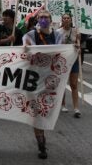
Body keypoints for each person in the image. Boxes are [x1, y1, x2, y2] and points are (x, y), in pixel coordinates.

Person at [23, 10, 62, 159]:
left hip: (50, 80)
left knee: (46, 110)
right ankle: (41, 142)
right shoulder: (31, 35)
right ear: (37, 20)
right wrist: (26, 48)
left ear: (51, 20)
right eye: (41, 17)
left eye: (46, 17)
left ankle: (42, 133)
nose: (43, 19)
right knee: (37, 111)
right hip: (33, 79)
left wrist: (74, 46)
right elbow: (26, 49)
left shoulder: (57, 35)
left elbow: (60, 51)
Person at [57, 13, 81, 118]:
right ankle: (62, 105)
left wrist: (78, 47)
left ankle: (76, 108)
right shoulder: (57, 32)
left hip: (74, 60)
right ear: (62, 20)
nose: (66, 19)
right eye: (64, 18)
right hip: (62, 61)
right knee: (62, 84)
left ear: (71, 20)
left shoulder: (76, 32)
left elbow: (79, 46)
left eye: (68, 18)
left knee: (74, 84)